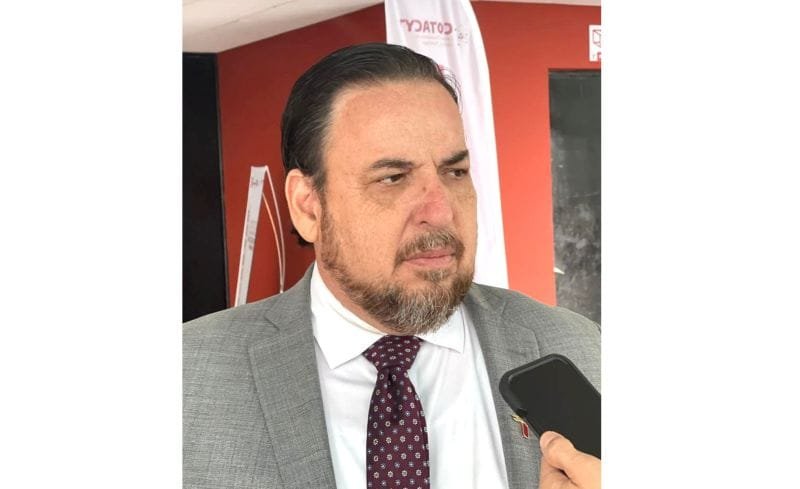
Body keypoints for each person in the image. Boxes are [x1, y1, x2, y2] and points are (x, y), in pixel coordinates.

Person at [184, 42, 600, 489]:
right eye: (392, 178)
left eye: (455, 172)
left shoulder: (580, 349)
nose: (440, 211)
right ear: (308, 206)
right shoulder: (187, 377)